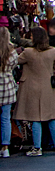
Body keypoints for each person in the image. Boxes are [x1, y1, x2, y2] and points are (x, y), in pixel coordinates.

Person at [15, 26, 55, 156]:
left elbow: (15, 62)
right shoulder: (52, 51)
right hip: (48, 88)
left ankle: (37, 148)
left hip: (30, 88)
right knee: (52, 118)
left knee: (35, 119)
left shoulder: (28, 52)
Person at [0, 26, 18, 157]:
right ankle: (5, 146)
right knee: (5, 118)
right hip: (7, 86)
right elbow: (14, 65)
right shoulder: (12, 52)